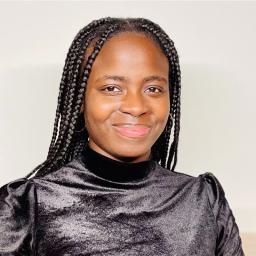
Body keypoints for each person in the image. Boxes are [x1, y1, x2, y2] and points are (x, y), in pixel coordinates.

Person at [0, 17, 244, 256]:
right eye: (111, 88)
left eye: (153, 89)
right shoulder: (27, 206)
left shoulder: (203, 200)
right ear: (80, 100)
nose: (136, 106)